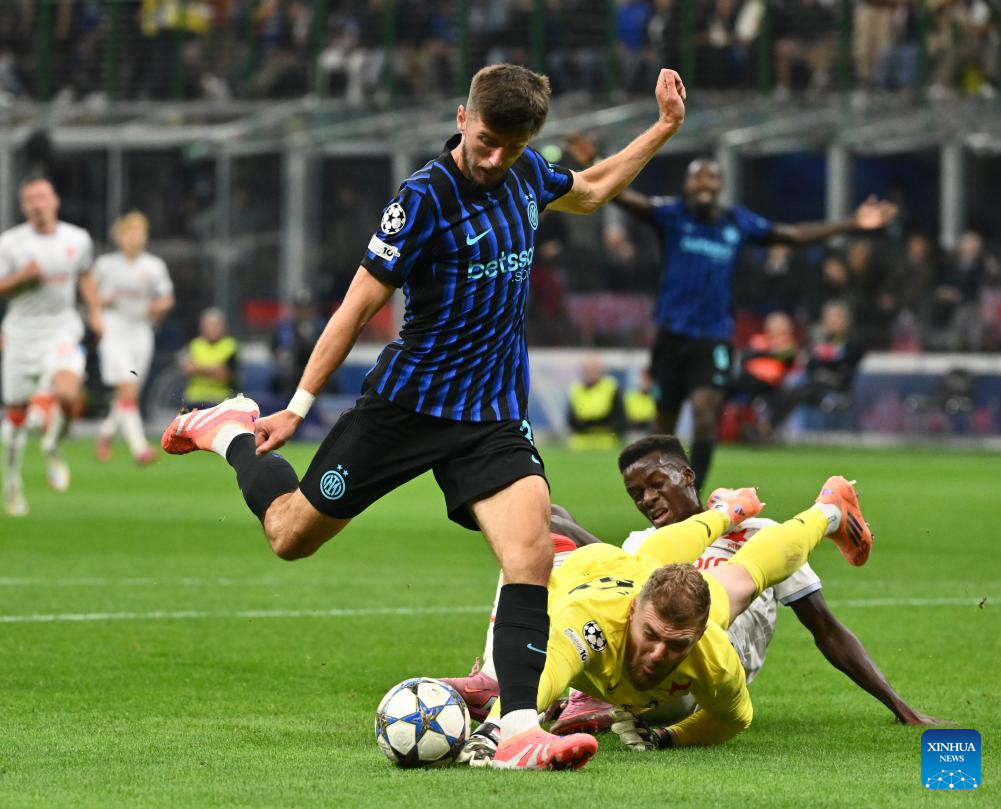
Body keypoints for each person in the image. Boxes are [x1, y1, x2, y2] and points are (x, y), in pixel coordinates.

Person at [160, 63, 689, 771]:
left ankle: (516, 730)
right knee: (289, 535)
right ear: (462, 117)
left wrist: (663, 127)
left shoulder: (529, 174)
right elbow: (357, 307)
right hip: (405, 409)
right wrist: (297, 405)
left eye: (511, 146)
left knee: (530, 553)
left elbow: (590, 189)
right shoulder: (421, 200)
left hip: (491, 416)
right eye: (487, 140)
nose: (495, 158)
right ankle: (227, 429)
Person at [459, 473, 876, 764]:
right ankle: (728, 510)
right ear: (634, 611)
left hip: (645, 577)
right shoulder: (589, 621)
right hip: (588, 571)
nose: (660, 653)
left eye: (677, 644)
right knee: (526, 565)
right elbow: (544, 674)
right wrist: (497, 731)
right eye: (652, 635)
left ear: (699, 633)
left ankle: (829, 510)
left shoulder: (711, 652)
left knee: (743, 578)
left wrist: (666, 737)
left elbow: (732, 719)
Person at [563, 135, 898, 495]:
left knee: (706, 414)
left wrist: (851, 223)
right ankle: (664, 497)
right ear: (686, 186)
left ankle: (691, 497)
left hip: (713, 338)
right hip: (671, 337)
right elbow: (624, 197)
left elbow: (792, 234)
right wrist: (595, 160)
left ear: (721, 186)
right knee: (664, 426)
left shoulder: (735, 223)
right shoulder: (672, 215)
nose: (704, 184)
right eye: (697, 178)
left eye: (711, 178)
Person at [0, 176, 99, 517]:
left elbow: (85, 274)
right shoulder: (10, 243)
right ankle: (12, 481)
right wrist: (21, 278)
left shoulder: (77, 239)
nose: (37, 204)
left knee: (69, 396)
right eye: (30, 200)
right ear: (24, 207)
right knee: (15, 416)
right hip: (21, 335)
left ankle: (52, 445)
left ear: (54, 201)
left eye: (42, 197)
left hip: (61, 330)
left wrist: (95, 313)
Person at [94, 211, 175, 465]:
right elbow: (90, 296)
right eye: (129, 232)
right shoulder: (105, 265)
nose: (134, 238)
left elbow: (167, 298)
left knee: (129, 393)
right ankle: (140, 448)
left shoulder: (154, 266)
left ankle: (106, 430)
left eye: (139, 232)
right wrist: (100, 304)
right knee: (127, 387)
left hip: (141, 332)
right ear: (119, 236)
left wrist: (158, 306)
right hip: (114, 330)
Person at [763, 300, 865, 435]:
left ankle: (769, 427)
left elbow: (844, 363)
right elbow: (811, 364)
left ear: (846, 320)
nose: (833, 321)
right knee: (788, 391)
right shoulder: (820, 340)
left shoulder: (852, 341)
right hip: (814, 384)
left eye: (837, 317)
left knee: (798, 392)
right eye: (829, 317)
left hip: (836, 386)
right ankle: (771, 427)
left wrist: (825, 359)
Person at [180, 307, 239, 410]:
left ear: (222, 327)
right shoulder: (195, 344)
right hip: (194, 398)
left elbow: (225, 375)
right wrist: (213, 369)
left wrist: (199, 367)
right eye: (208, 325)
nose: (212, 329)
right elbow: (187, 369)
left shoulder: (230, 345)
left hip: (220, 399)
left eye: (215, 325)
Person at [567, 354, 625, 450]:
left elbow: (619, 419)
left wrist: (591, 422)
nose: (592, 372)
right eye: (589, 369)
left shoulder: (611, 387)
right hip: (581, 441)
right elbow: (571, 420)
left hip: (606, 441)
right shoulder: (576, 389)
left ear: (601, 370)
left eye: (595, 369)